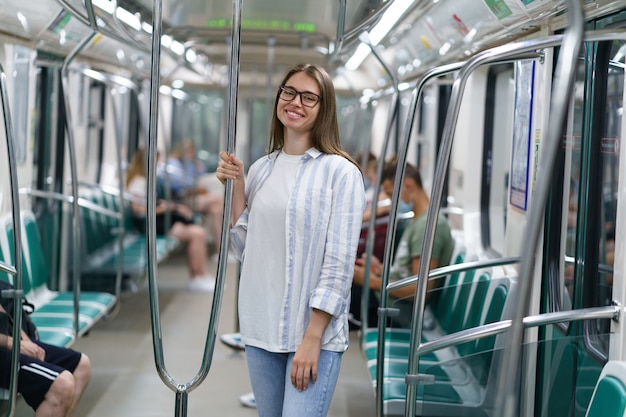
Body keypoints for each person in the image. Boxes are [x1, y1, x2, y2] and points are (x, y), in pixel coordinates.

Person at [216, 63, 365, 417]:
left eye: (309, 97)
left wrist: (312, 338)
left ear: (324, 107)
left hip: (312, 335)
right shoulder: (261, 169)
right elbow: (246, 251)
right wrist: (237, 187)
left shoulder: (341, 173)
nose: (296, 102)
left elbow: (338, 265)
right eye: (289, 92)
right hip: (261, 328)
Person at [352, 161, 455, 328]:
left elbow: (420, 290)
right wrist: (380, 269)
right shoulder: (417, 221)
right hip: (387, 298)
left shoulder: (427, 227)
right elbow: (405, 274)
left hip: (397, 310)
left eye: (392, 194)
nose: (392, 201)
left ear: (408, 185)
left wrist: (372, 282)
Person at [126, 147, 215, 292]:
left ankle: (200, 275)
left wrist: (171, 207)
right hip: (149, 225)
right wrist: (167, 208)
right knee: (197, 234)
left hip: (155, 221)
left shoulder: (147, 180)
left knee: (198, 232)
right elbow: (139, 211)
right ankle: (197, 277)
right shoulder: (139, 182)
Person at [0, 304, 91, 417]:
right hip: (5, 344)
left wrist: (24, 340)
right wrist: (14, 343)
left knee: (81, 365)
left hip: (7, 338)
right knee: (62, 385)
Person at [163, 140, 224, 258]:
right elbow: (181, 185)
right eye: (189, 152)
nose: (191, 155)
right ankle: (221, 248)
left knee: (216, 209)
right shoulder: (173, 164)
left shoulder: (186, 164)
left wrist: (198, 169)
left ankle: (219, 250)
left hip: (188, 197)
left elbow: (196, 176)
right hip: (180, 200)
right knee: (218, 200)